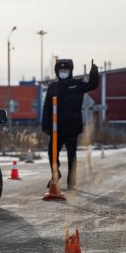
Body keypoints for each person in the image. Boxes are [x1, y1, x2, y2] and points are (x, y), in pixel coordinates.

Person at [42, 58, 99, 189]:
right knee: (52, 153)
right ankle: (55, 175)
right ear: (57, 71)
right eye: (61, 70)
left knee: (71, 155)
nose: (63, 72)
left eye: (66, 70)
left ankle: (71, 182)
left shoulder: (77, 84)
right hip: (56, 129)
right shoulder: (52, 87)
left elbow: (92, 85)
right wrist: (45, 126)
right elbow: (47, 107)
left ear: (70, 71)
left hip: (72, 128)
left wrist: (94, 72)